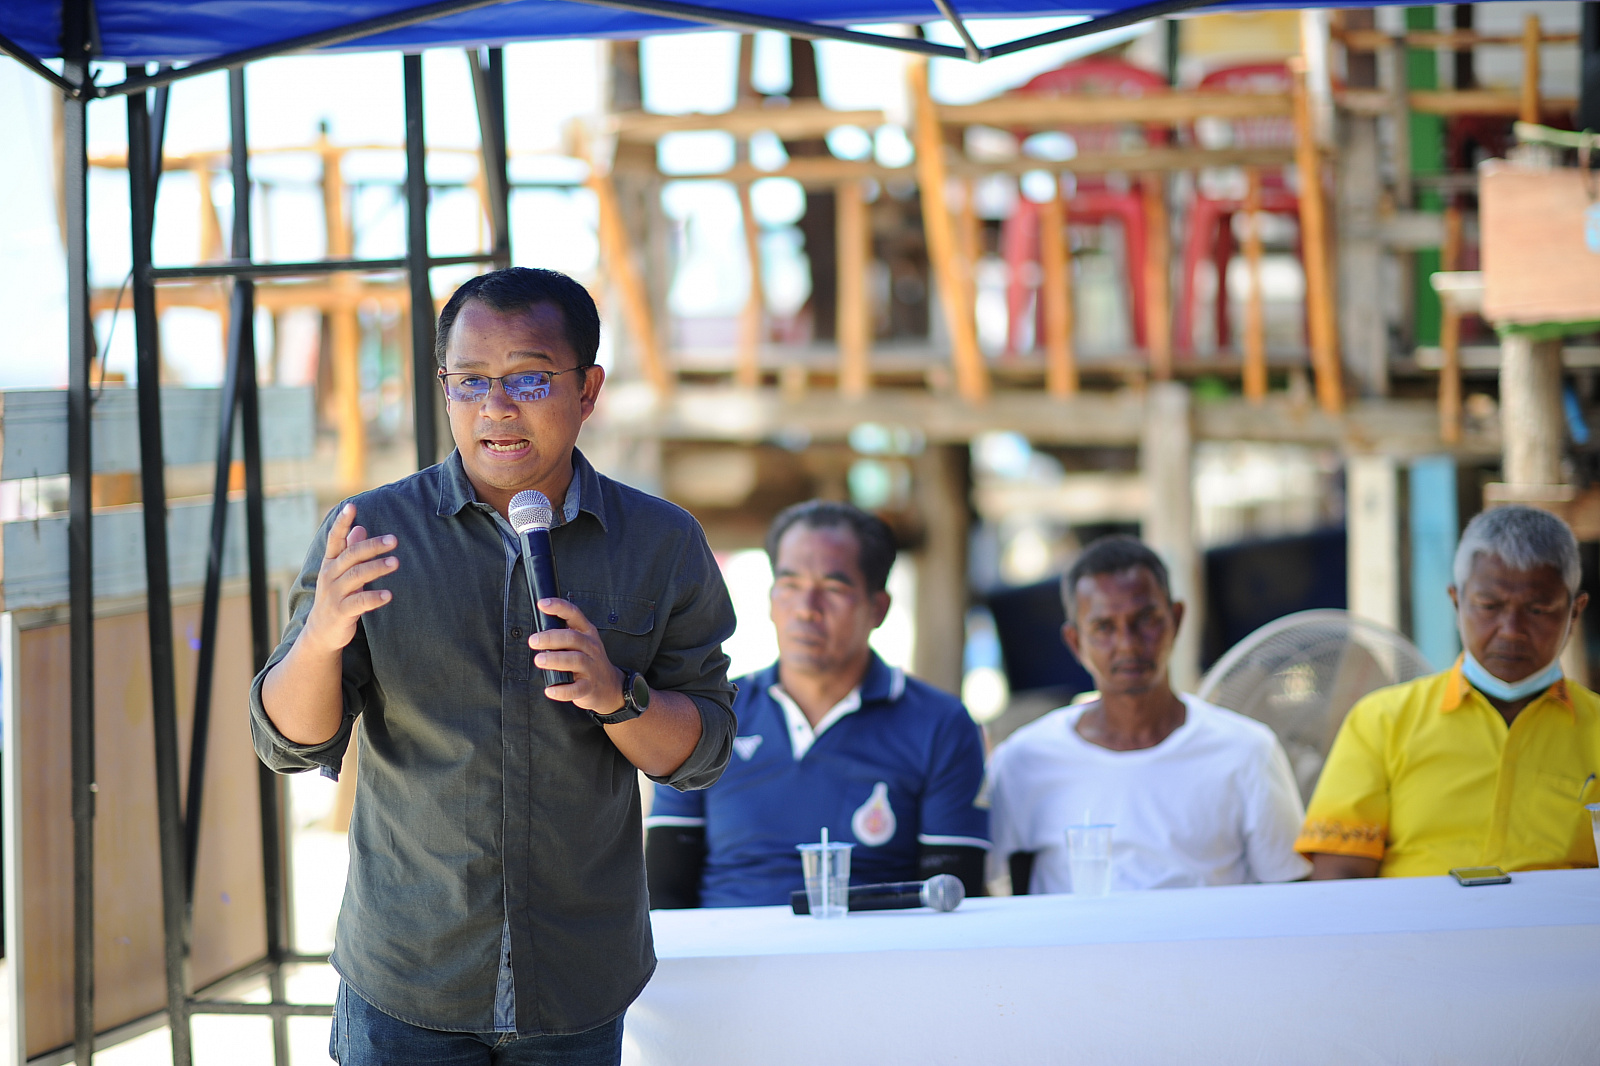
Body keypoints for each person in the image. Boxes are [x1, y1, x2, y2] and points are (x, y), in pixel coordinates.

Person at [250, 267, 737, 1064]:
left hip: (576, 978)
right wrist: (322, 637)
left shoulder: (661, 541)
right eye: (469, 380)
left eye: (529, 379)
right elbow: (288, 743)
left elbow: (703, 750)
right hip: (408, 975)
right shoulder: (369, 531)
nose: (496, 407)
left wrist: (616, 695)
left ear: (587, 390)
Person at [645, 500, 989, 908]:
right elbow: (664, 895)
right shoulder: (705, 715)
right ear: (771, 599)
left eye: (833, 589)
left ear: (878, 608)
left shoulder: (942, 725)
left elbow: (950, 898)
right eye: (790, 585)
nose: (806, 610)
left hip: (875, 948)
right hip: (730, 944)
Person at [987, 535, 1310, 894]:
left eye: (1145, 620)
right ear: (1076, 642)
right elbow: (993, 889)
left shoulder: (1247, 751)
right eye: (1104, 627)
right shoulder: (1024, 760)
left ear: (1176, 620)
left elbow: (1292, 896)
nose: (1128, 644)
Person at [1300, 505, 1600, 879]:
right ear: (1457, 601)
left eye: (1538, 609)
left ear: (1574, 612)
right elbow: (1339, 877)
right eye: (1489, 606)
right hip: (1412, 920)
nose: (1511, 630)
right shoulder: (1381, 722)